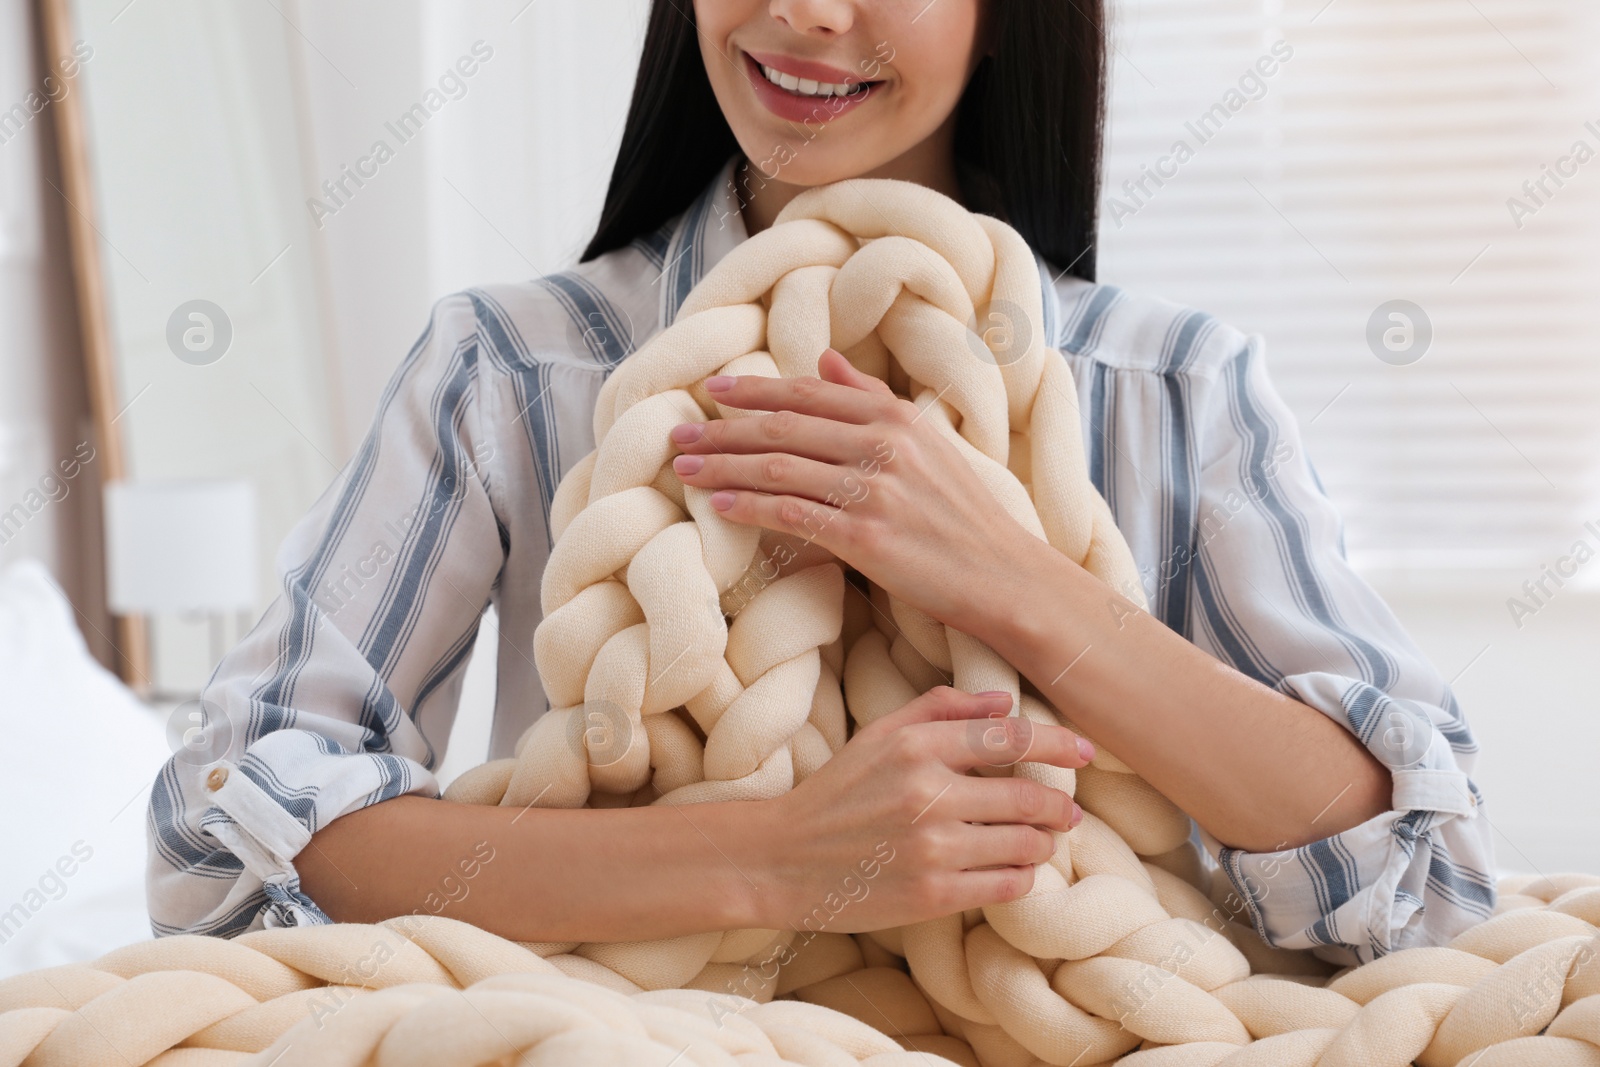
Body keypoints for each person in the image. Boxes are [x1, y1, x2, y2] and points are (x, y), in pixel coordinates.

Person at [146, 0, 1494, 968]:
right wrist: (779, 857)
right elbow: (231, 833)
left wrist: (1019, 584)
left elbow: (1427, 883)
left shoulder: (1175, 388)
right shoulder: (504, 368)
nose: (803, 15)